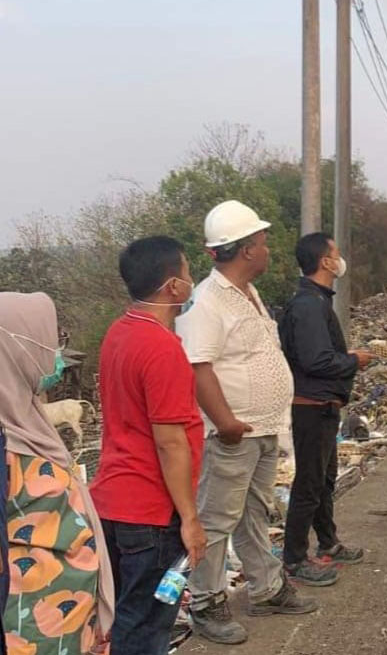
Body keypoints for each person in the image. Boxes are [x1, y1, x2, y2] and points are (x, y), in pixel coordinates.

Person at [176, 200, 316, 645]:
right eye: (261, 241)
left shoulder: (246, 294)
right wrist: (226, 422)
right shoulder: (207, 302)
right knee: (217, 520)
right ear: (245, 251)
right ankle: (205, 602)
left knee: (254, 513)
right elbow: (198, 367)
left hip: (264, 426)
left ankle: (267, 587)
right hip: (234, 433)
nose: (268, 247)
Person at [90, 237, 208, 655]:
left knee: (125, 620)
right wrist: (190, 519)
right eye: (189, 272)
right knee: (145, 628)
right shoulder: (162, 348)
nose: (193, 281)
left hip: (110, 503)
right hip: (151, 515)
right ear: (173, 286)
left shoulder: (119, 333)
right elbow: (170, 442)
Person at [1, 292, 114, 655]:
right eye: (50, 342)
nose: (55, 354)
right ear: (16, 352)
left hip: (65, 626)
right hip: (28, 630)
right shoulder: (6, 444)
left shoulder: (27, 422)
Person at [278, 234, 373, 585]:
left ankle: (328, 542)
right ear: (325, 262)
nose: (340, 259)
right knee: (309, 483)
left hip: (323, 405)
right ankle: (294, 558)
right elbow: (315, 359)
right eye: (336, 253)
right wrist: (353, 360)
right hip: (311, 406)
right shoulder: (308, 305)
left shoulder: (316, 301)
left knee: (324, 480)